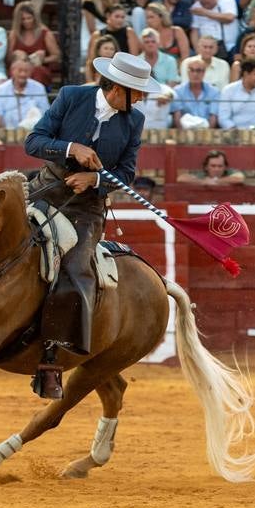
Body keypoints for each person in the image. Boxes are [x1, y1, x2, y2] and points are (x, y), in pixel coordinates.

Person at [24, 51, 155, 399]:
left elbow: (126, 175)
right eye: (137, 91)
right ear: (116, 87)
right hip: (43, 191)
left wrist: (94, 181)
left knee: (77, 268)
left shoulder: (134, 121)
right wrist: (72, 149)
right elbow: (33, 142)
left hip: (87, 210)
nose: (141, 98)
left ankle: (50, 360)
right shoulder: (71, 96)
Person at [178, 150, 247, 184]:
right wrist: (202, 181)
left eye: (220, 166)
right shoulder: (202, 174)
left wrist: (215, 181)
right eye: (213, 166)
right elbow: (181, 178)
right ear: (206, 167)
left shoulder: (229, 172)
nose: (216, 169)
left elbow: (240, 178)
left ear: (225, 167)